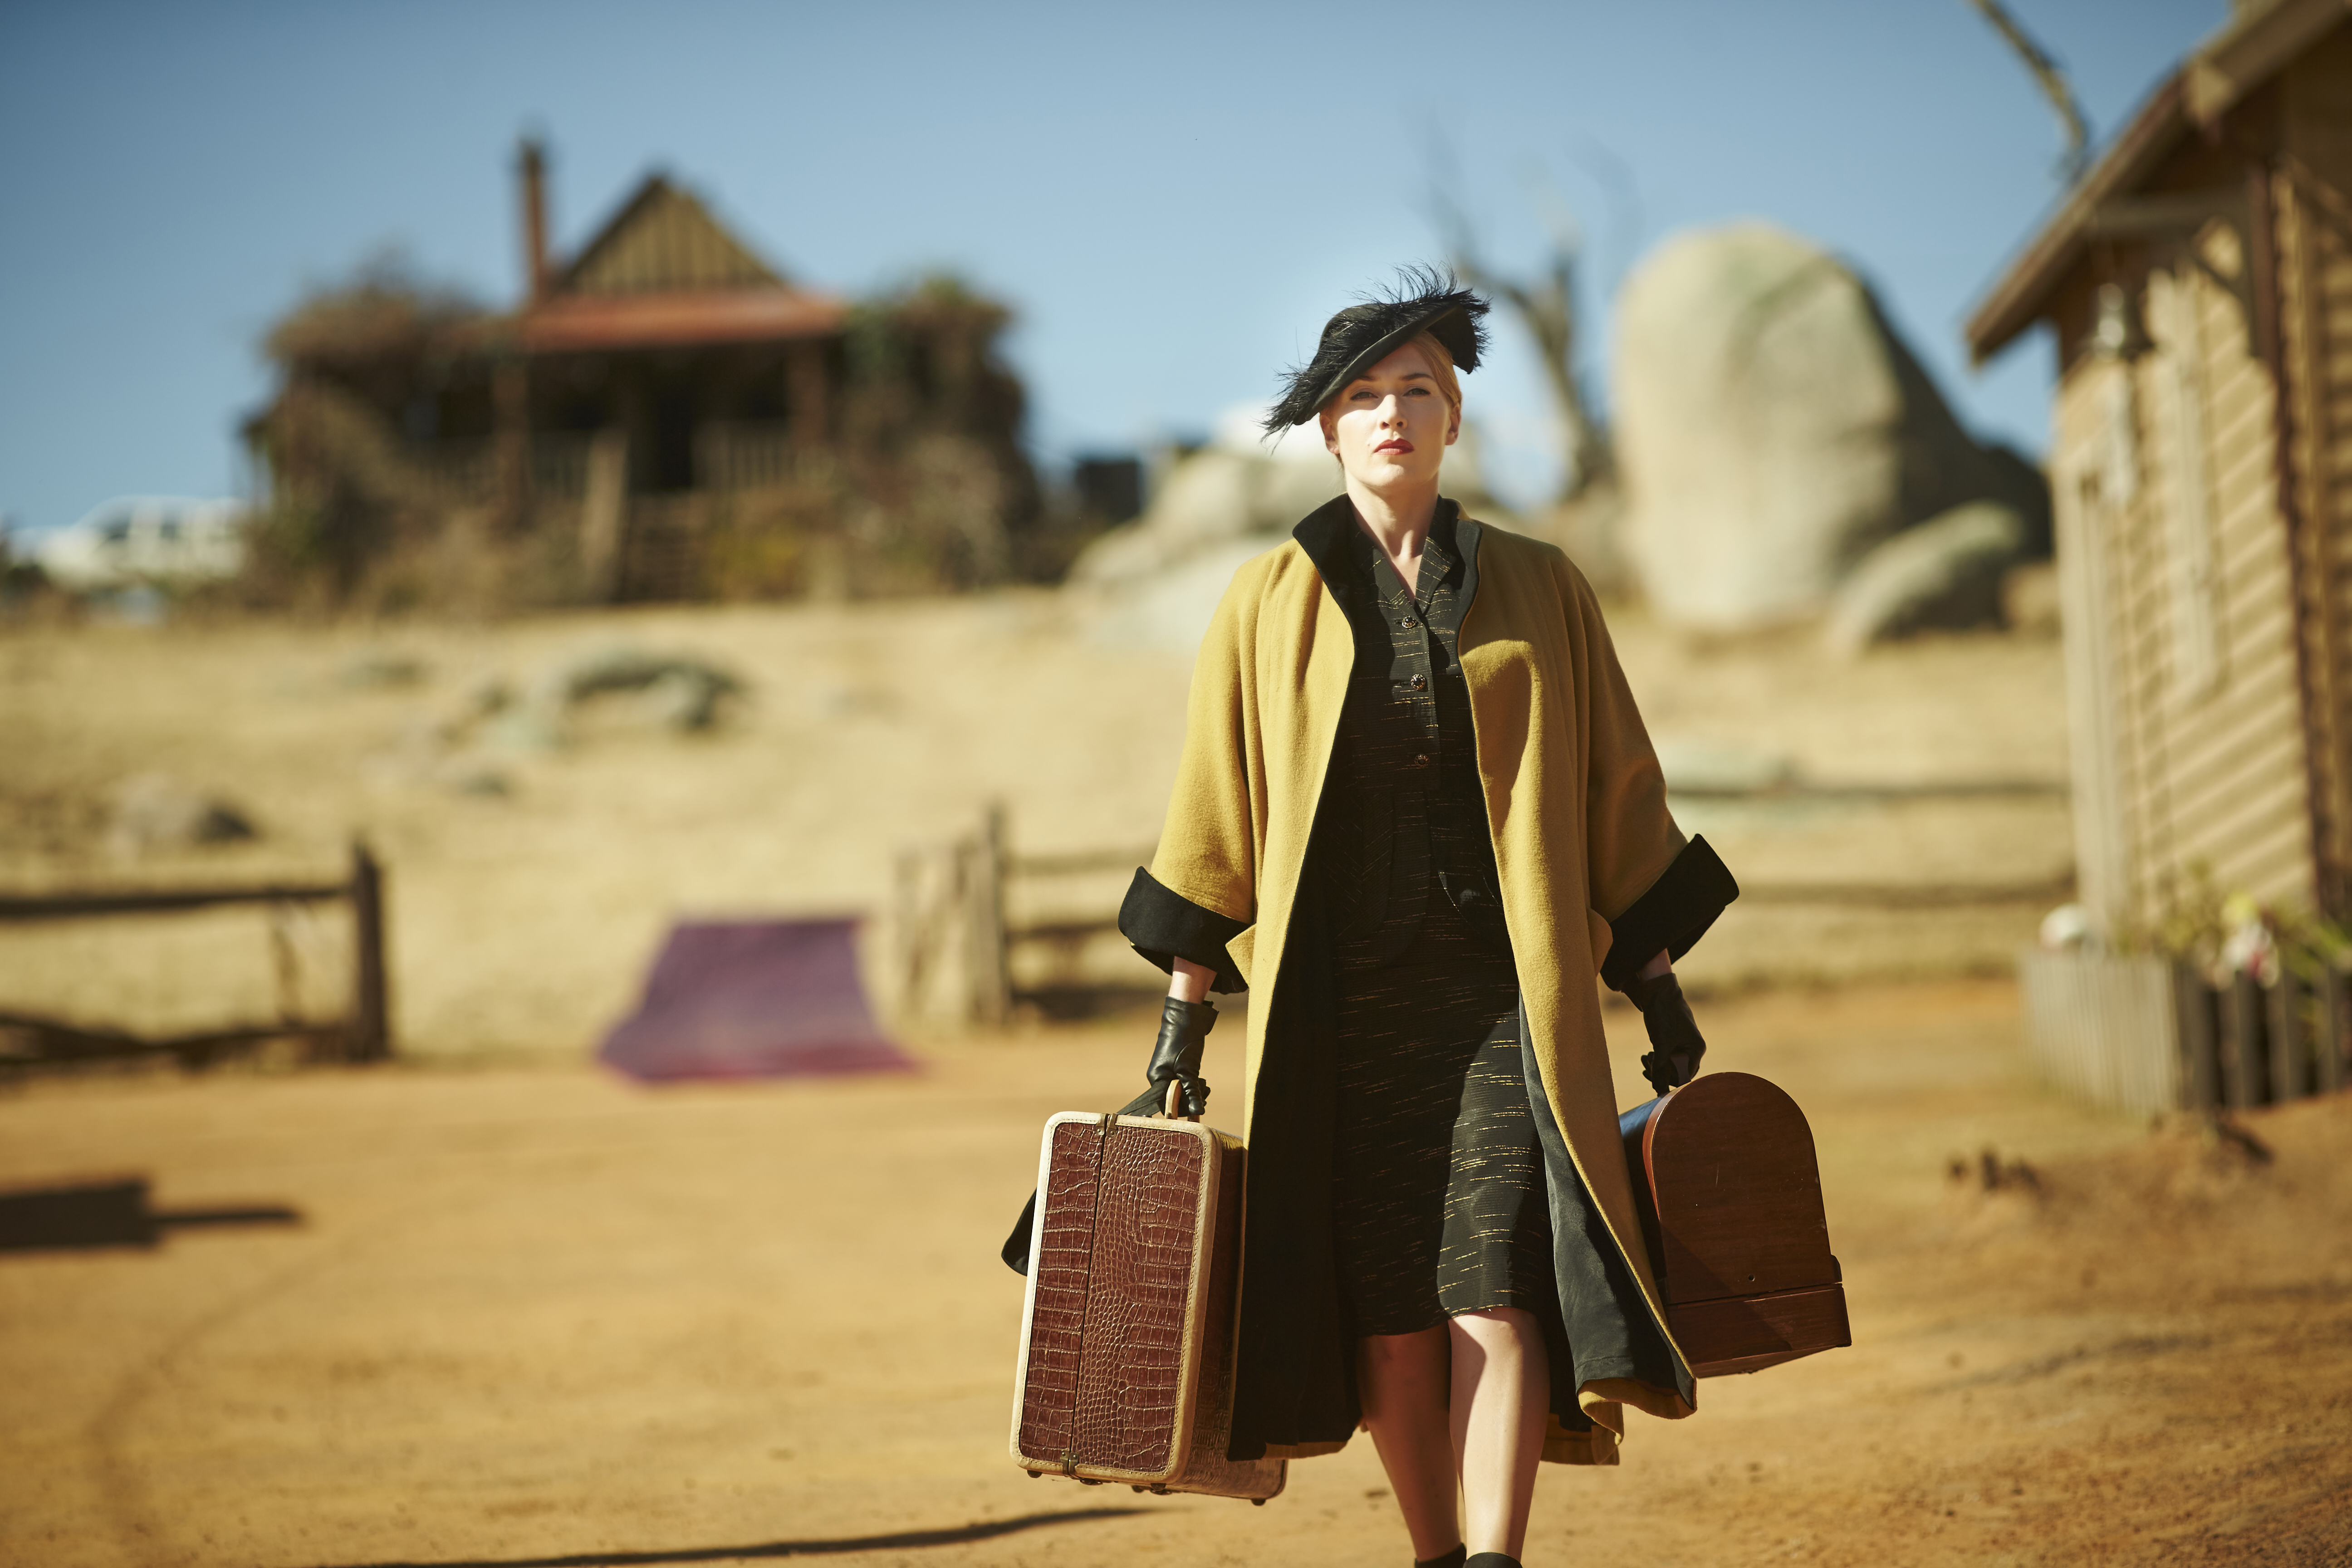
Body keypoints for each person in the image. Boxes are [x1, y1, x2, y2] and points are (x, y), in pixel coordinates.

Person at [1116, 270, 1739, 1568]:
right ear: (1329, 430)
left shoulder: (1542, 585)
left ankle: (1496, 1562)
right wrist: (1179, 1041)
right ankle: (1435, 1556)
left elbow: (1616, 795)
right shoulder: (1262, 601)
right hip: (1339, 1023)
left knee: (1494, 1298)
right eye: (1363, 396)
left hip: (1502, 1003)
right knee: (1394, 1322)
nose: (1392, 414)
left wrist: (1663, 1000)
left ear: (1454, 422)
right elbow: (1212, 831)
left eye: (1419, 392)